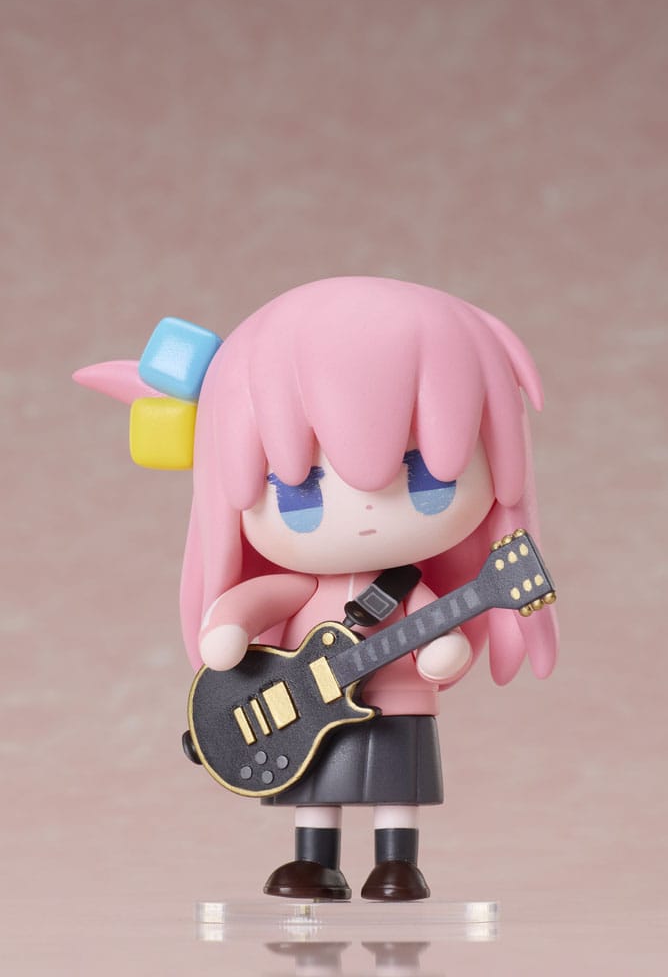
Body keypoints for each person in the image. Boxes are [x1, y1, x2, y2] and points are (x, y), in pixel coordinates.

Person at [75, 276, 558, 901]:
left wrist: (444, 648)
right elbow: (262, 601)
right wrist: (231, 625)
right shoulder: (302, 590)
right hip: (301, 702)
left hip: (399, 699)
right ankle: (313, 861)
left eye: (426, 479)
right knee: (313, 783)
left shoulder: (405, 586)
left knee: (396, 783)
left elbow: (437, 632)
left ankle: (396, 863)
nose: (367, 509)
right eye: (299, 491)